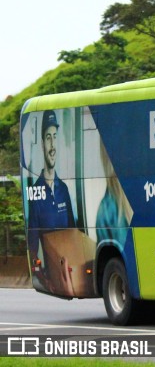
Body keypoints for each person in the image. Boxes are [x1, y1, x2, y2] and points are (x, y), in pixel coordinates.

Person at [27, 110, 76, 294]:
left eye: (55, 137)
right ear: (42, 144)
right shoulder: (36, 193)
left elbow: (73, 234)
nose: (53, 145)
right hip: (54, 279)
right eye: (48, 138)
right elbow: (32, 248)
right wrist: (44, 279)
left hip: (72, 276)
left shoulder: (64, 189)